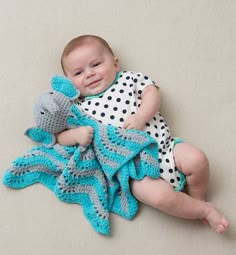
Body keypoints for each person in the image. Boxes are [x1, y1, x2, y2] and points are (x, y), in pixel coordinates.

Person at [56, 34, 229, 233]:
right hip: (134, 170)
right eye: (78, 73)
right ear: (69, 82)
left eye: (96, 64)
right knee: (160, 197)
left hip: (164, 147)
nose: (89, 74)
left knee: (197, 159)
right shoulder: (78, 108)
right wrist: (77, 135)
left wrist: (140, 117)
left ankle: (197, 199)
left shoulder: (129, 79)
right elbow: (60, 137)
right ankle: (204, 211)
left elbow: (152, 93)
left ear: (115, 63)